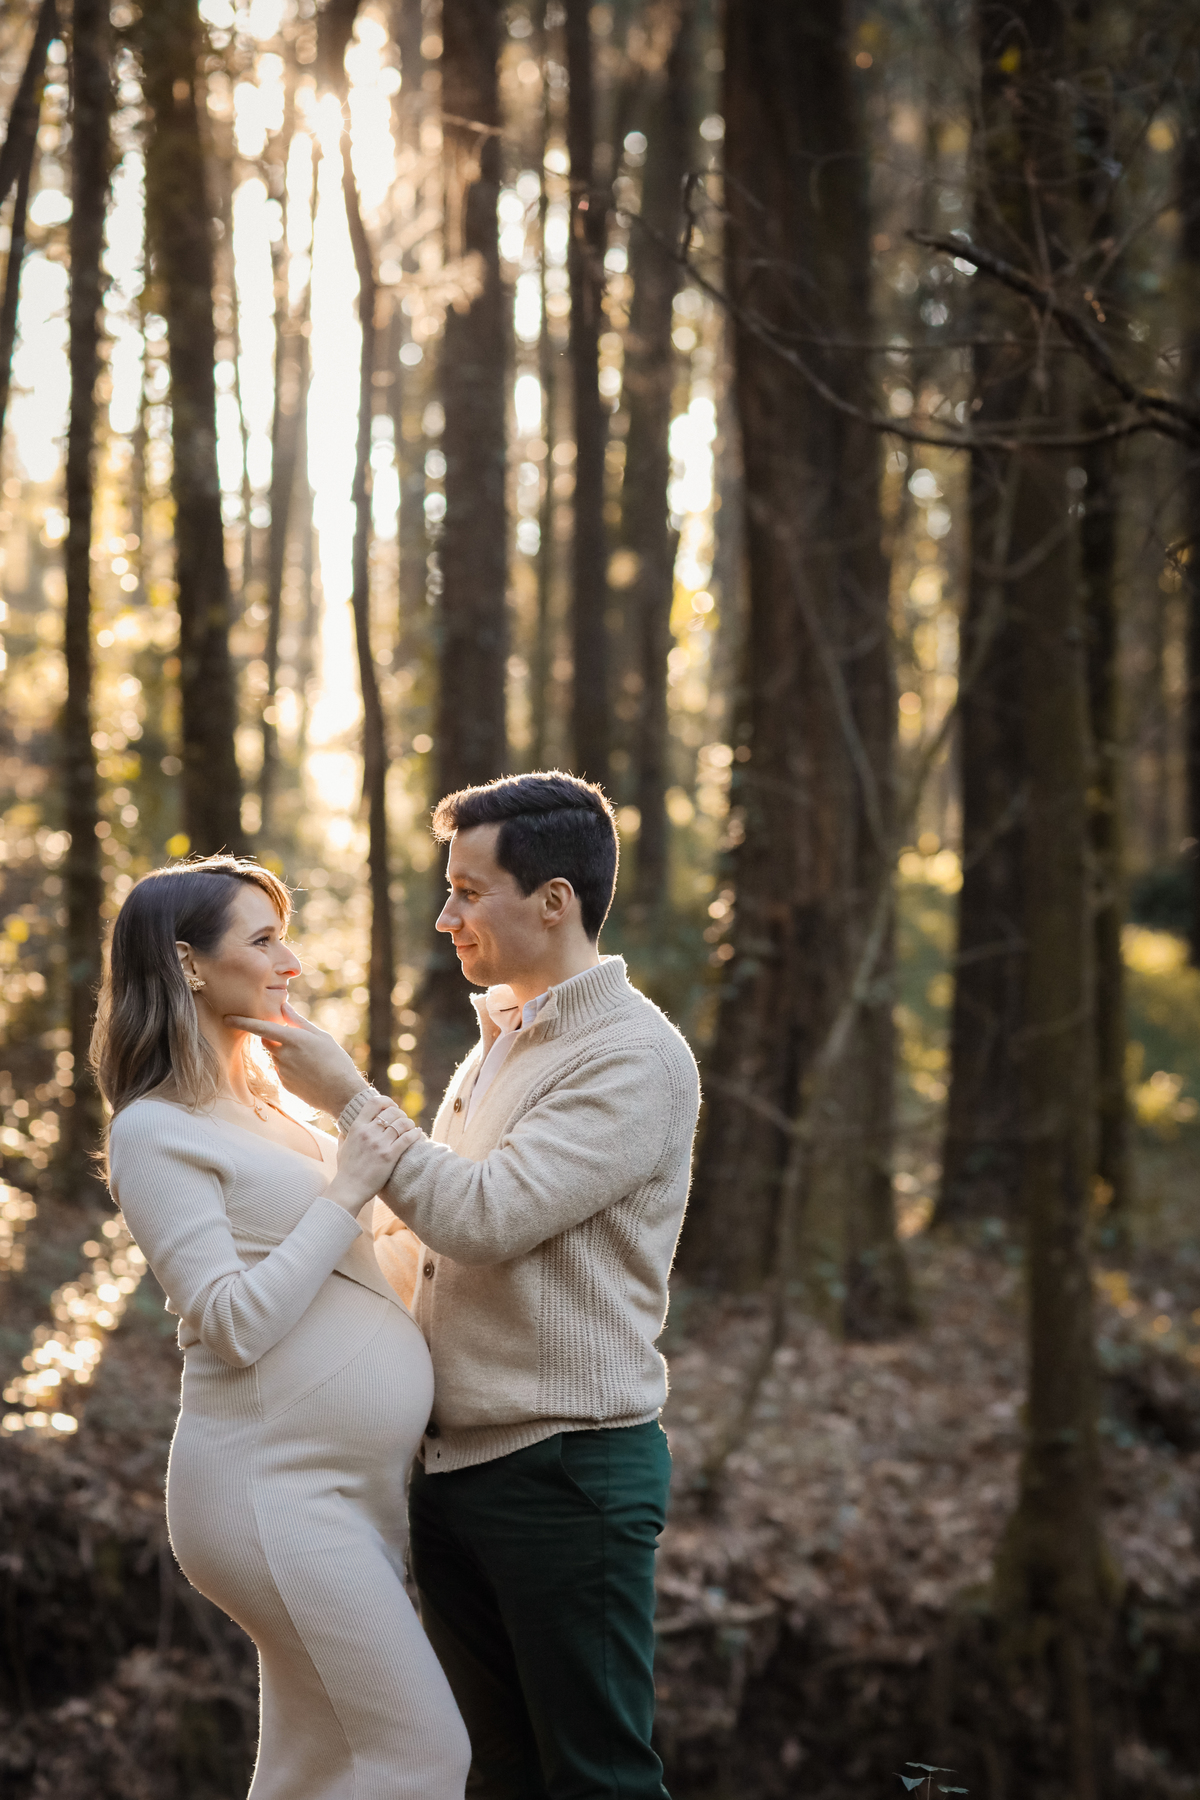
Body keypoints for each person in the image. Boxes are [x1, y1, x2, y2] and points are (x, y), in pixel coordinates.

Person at [230, 772, 702, 1800]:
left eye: (469, 892)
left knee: (598, 1778)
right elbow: (419, 1239)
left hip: (569, 1472)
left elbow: (482, 1218)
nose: (446, 917)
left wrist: (350, 1098)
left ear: (554, 900)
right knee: (493, 1777)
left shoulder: (632, 1057)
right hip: (458, 1473)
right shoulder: (502, 1042)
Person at [94, 855, 470, 1800]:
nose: (290, 961)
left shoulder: (271, 1110)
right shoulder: (155, 1129)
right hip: (270, 1489)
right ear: (186, 963)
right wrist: (347, 1189)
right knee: (425, 1755)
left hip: (352, 1487)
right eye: (263, 940)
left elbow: (355, 1268)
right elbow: (229, 1323)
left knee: (315, 1769)